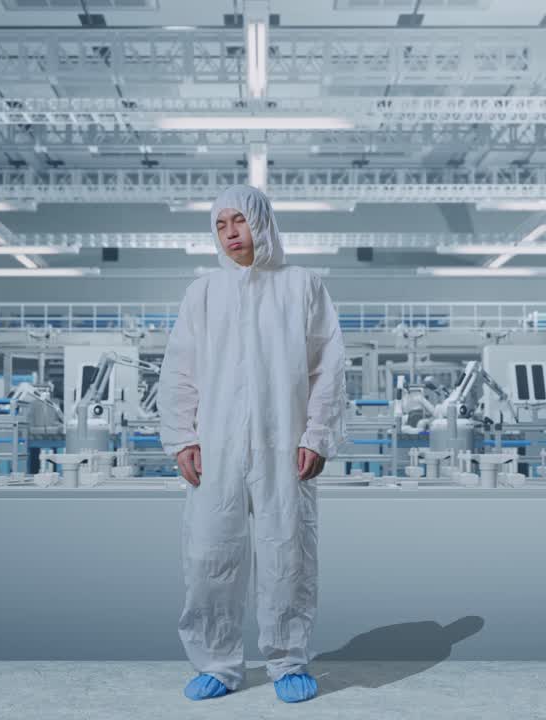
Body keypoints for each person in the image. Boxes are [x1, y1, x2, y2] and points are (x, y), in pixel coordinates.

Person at [158, 184, 348, 703]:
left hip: (284, 446)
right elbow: (180, 370)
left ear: (262, 222)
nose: (230, 234)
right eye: (220, 226)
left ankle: (287, 660)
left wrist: (317, 436)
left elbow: (327, 368)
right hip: (215, 447)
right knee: (208, 554)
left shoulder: (302, 286)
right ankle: (217, 662)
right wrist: (181, 438)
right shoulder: (204, 292)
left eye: (238, 221)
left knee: (286, 552)